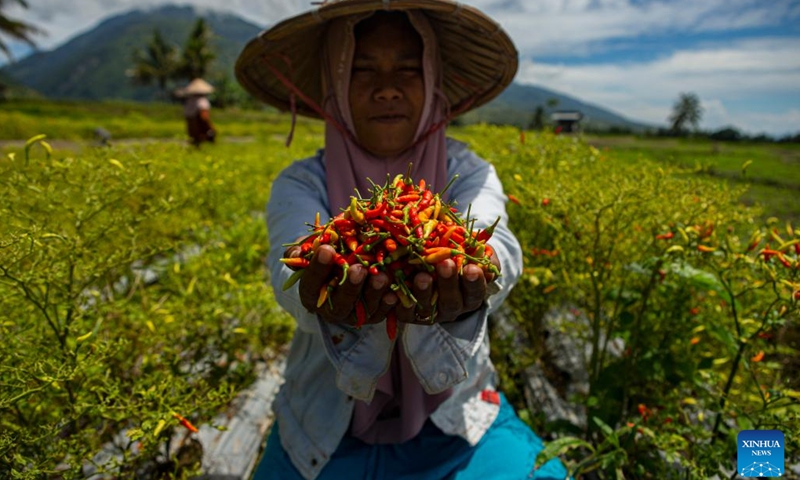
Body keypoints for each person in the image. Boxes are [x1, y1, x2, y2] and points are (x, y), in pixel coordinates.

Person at [235, 1, 569, 479]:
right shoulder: (301, 182)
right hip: (326, 425)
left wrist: (482, 266)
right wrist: (315, 291)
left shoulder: (468, 171)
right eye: (362, 70)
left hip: (456, 418)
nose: (386, 89)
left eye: (409, 71)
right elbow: (289, 265)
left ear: (433, 83)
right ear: (334, 86)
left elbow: (499, 245)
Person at [181, 78, 216, 147]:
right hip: (199, 125)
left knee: (194, 142)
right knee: (211, 135)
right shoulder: (203, 101)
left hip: (191, 126)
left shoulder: (189, 101)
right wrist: (211, 128)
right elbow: (204, 116)